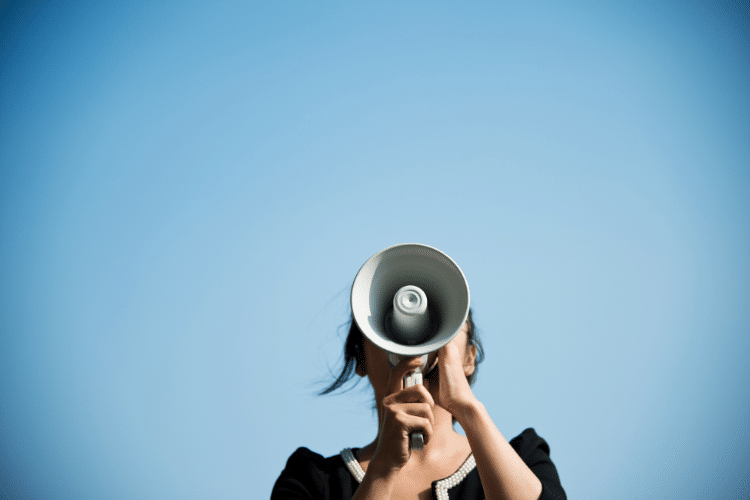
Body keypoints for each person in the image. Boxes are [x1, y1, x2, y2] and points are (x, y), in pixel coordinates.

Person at [271, 309, 566, 500]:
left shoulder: (524, 458)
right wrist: (382, 470)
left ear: (469, 357)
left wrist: (469, 411)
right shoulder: (313, 481)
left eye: (442, 329)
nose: (415, 342)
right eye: (389, 329)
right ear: (360, 357)